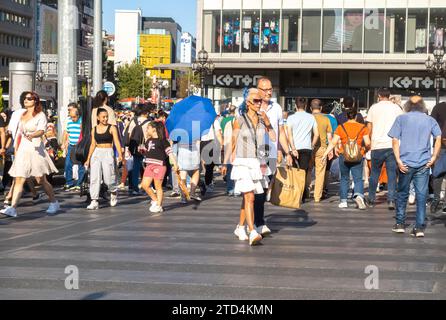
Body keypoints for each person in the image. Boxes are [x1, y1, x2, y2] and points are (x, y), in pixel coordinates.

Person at [222, 88, 276, 246]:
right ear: (248, 103)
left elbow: (272, 137)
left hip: (257, 162)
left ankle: (240, 227)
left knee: (248, 198)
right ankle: (252, 231)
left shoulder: (261, 119)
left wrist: (267, 122)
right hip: (242, 161)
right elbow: (232, 141)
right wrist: (226, 162)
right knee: (250, 197)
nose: (260, 103)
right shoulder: (239, 119)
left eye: (261, 100)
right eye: (256, 101)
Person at [388, 96, 442, 237]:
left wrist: (398, 160)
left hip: (405, 162)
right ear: (423, 106)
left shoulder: (401, 119)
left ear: (407, 106)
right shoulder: (430, 120)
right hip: (423, 162)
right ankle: (419, 227)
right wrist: (434, 157)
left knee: (402, 193)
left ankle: (400, 223)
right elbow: (438, 138)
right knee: (421, 195)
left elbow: (394, 141)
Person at [1, 91, 59, 218]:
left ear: (35, 101)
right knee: (19, 178)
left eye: (29, 99)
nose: (26, 100)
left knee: (40, 179)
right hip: (23, 149)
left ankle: (54, 202)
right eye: (25, 99)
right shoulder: (23, 114)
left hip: (36, 149)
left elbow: (41, 130)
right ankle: (13, 207)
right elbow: (18, 133)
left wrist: (33, 135)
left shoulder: (40, 115)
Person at [254, 77, 291, 235]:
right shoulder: (251, 106)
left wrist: (287, 151)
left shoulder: (276, 107)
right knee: (256, 190)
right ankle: (257, 222)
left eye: (271, 89)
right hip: (254, 154)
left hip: (271, 154)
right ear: (258, 90)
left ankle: (254, 221)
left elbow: (280, 131)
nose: (269, 92)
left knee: (263, 187)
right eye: (266, 89)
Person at [322, 97, 371, 210]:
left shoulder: (341, 127)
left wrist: (325, 154)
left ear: (347, 116)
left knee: (344, 178)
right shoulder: (362, 127)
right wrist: (364, 148)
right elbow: (368, 143)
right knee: (358, 178)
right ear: (355, 116)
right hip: (358, 155)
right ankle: (359, 195)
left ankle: (343, 201)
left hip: (344, 154)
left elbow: (333, 142)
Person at [366, 88, 403, 209]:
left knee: (374, 173)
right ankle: (391, 200)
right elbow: (401, 125)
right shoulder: (396, 108)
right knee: (392, 174)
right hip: (392, 145)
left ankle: (371, 199)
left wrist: (368, 141)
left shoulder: (373, 108)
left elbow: (369, 127)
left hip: (377, 145)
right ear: (389, 95)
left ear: (379, 96)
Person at [84, 108, 124, 210]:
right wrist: (88, 159)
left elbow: (117, 142)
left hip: (108, 152)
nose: (105, 119)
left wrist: (120, 155)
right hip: (97, 152)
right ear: (98, 118)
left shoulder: (112, 128)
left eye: (107, 116)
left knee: (108, 177)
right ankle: (94, 200)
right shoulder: (94, 129)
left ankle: (113, 192)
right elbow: (93, 144)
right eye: (103, 117)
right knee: (94, 177)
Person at [140, 121, 179, 213]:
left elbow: (170, 153)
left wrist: (175, 164)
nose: (147, 130)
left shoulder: (163, 140)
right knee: (144, 185)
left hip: (159, 165)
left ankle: (159, 205)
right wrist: (142, 150)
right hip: (149, 165)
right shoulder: (148, 140)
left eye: (148, 128)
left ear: (154, 129)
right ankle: (155, 200)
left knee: (158, 186)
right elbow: (147, 151)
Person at [286, 97, 319, 202]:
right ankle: (303, 194)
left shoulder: (291, 118)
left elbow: (289, 135)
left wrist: (293, 148)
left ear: (295, 105)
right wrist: (312, 145)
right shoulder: (311, 117)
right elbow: (316, 134)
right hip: (306, 147)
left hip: (295, 148)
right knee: (304, 172)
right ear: (305, 106)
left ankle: (296, 194)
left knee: (295, 171)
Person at [309, 99, 332, 202]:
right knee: (320, 172)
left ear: (310, 108)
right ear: (321, 108)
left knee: (307, 170)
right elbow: (329, 137)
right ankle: (317, 196)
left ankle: (305, 191)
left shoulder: (307, 118)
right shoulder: (326, 119)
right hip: (322, 148)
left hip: (308, 147)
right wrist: (330, 150)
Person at [62, 102, 85, 191]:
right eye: (71, 117)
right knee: (68, 164)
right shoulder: (68, 121)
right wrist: (64, 143)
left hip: (80, 146)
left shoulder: (82, 121)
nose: (73, 119)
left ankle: (79, 183)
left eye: (74, 117)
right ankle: (69, 182)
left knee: (81, 165)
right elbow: (66, 132)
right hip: (71, 145)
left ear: (78, 115)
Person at [429, 100, 446, 217]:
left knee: (437, 174)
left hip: (440, 144)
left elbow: (431, 125)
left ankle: (436, 198)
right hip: (441, 144)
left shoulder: (438, 107)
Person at [221, 105, 237, 196]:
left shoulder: (224, 121)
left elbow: (222, 133)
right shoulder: (237, 120)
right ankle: (236, 188)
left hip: (227, 145)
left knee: (229, 168)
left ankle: (230, 188)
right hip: (235, 146)